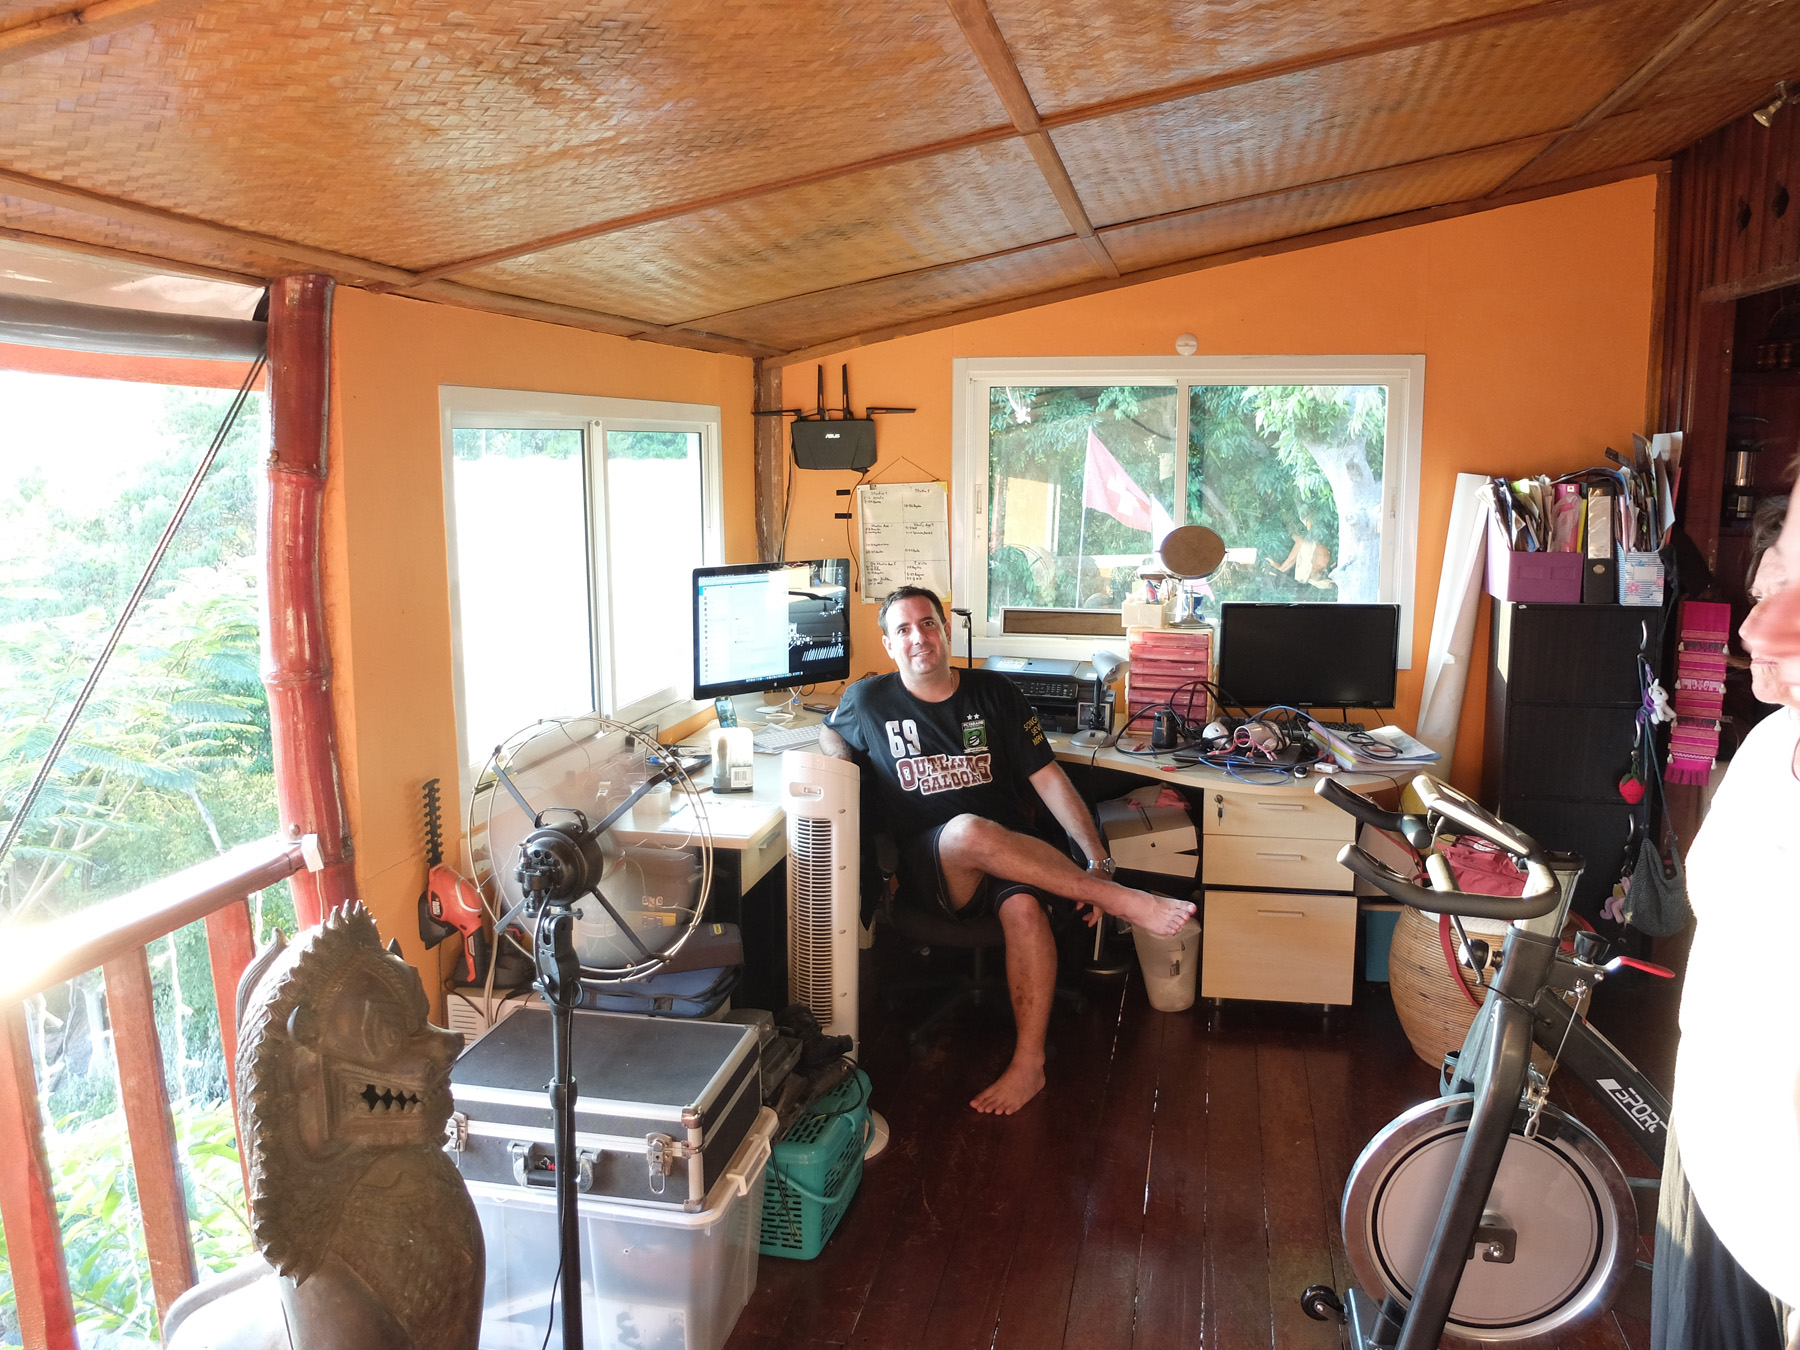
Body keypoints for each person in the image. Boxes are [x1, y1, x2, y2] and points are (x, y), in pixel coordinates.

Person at [819, 586, 1195, 1115]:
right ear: (888, 645)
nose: (918, 637)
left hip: (1012, 850)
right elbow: (828, 732)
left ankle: (1028, 1064)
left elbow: (1050, 779)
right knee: (968, 830)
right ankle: (1121, 900)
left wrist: (1097, 858)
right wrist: (841, 763)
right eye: (902, 629)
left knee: (1024, 908)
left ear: (946, 630)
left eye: (927, 624)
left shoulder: (994, 692)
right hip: (935, 868)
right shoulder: (868, 700)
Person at [1653, 486, 1800, 1350]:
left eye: (1781, 591)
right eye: (1765, 588)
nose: (1752, 628)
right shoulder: (1768, 747)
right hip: (1713, 1143)